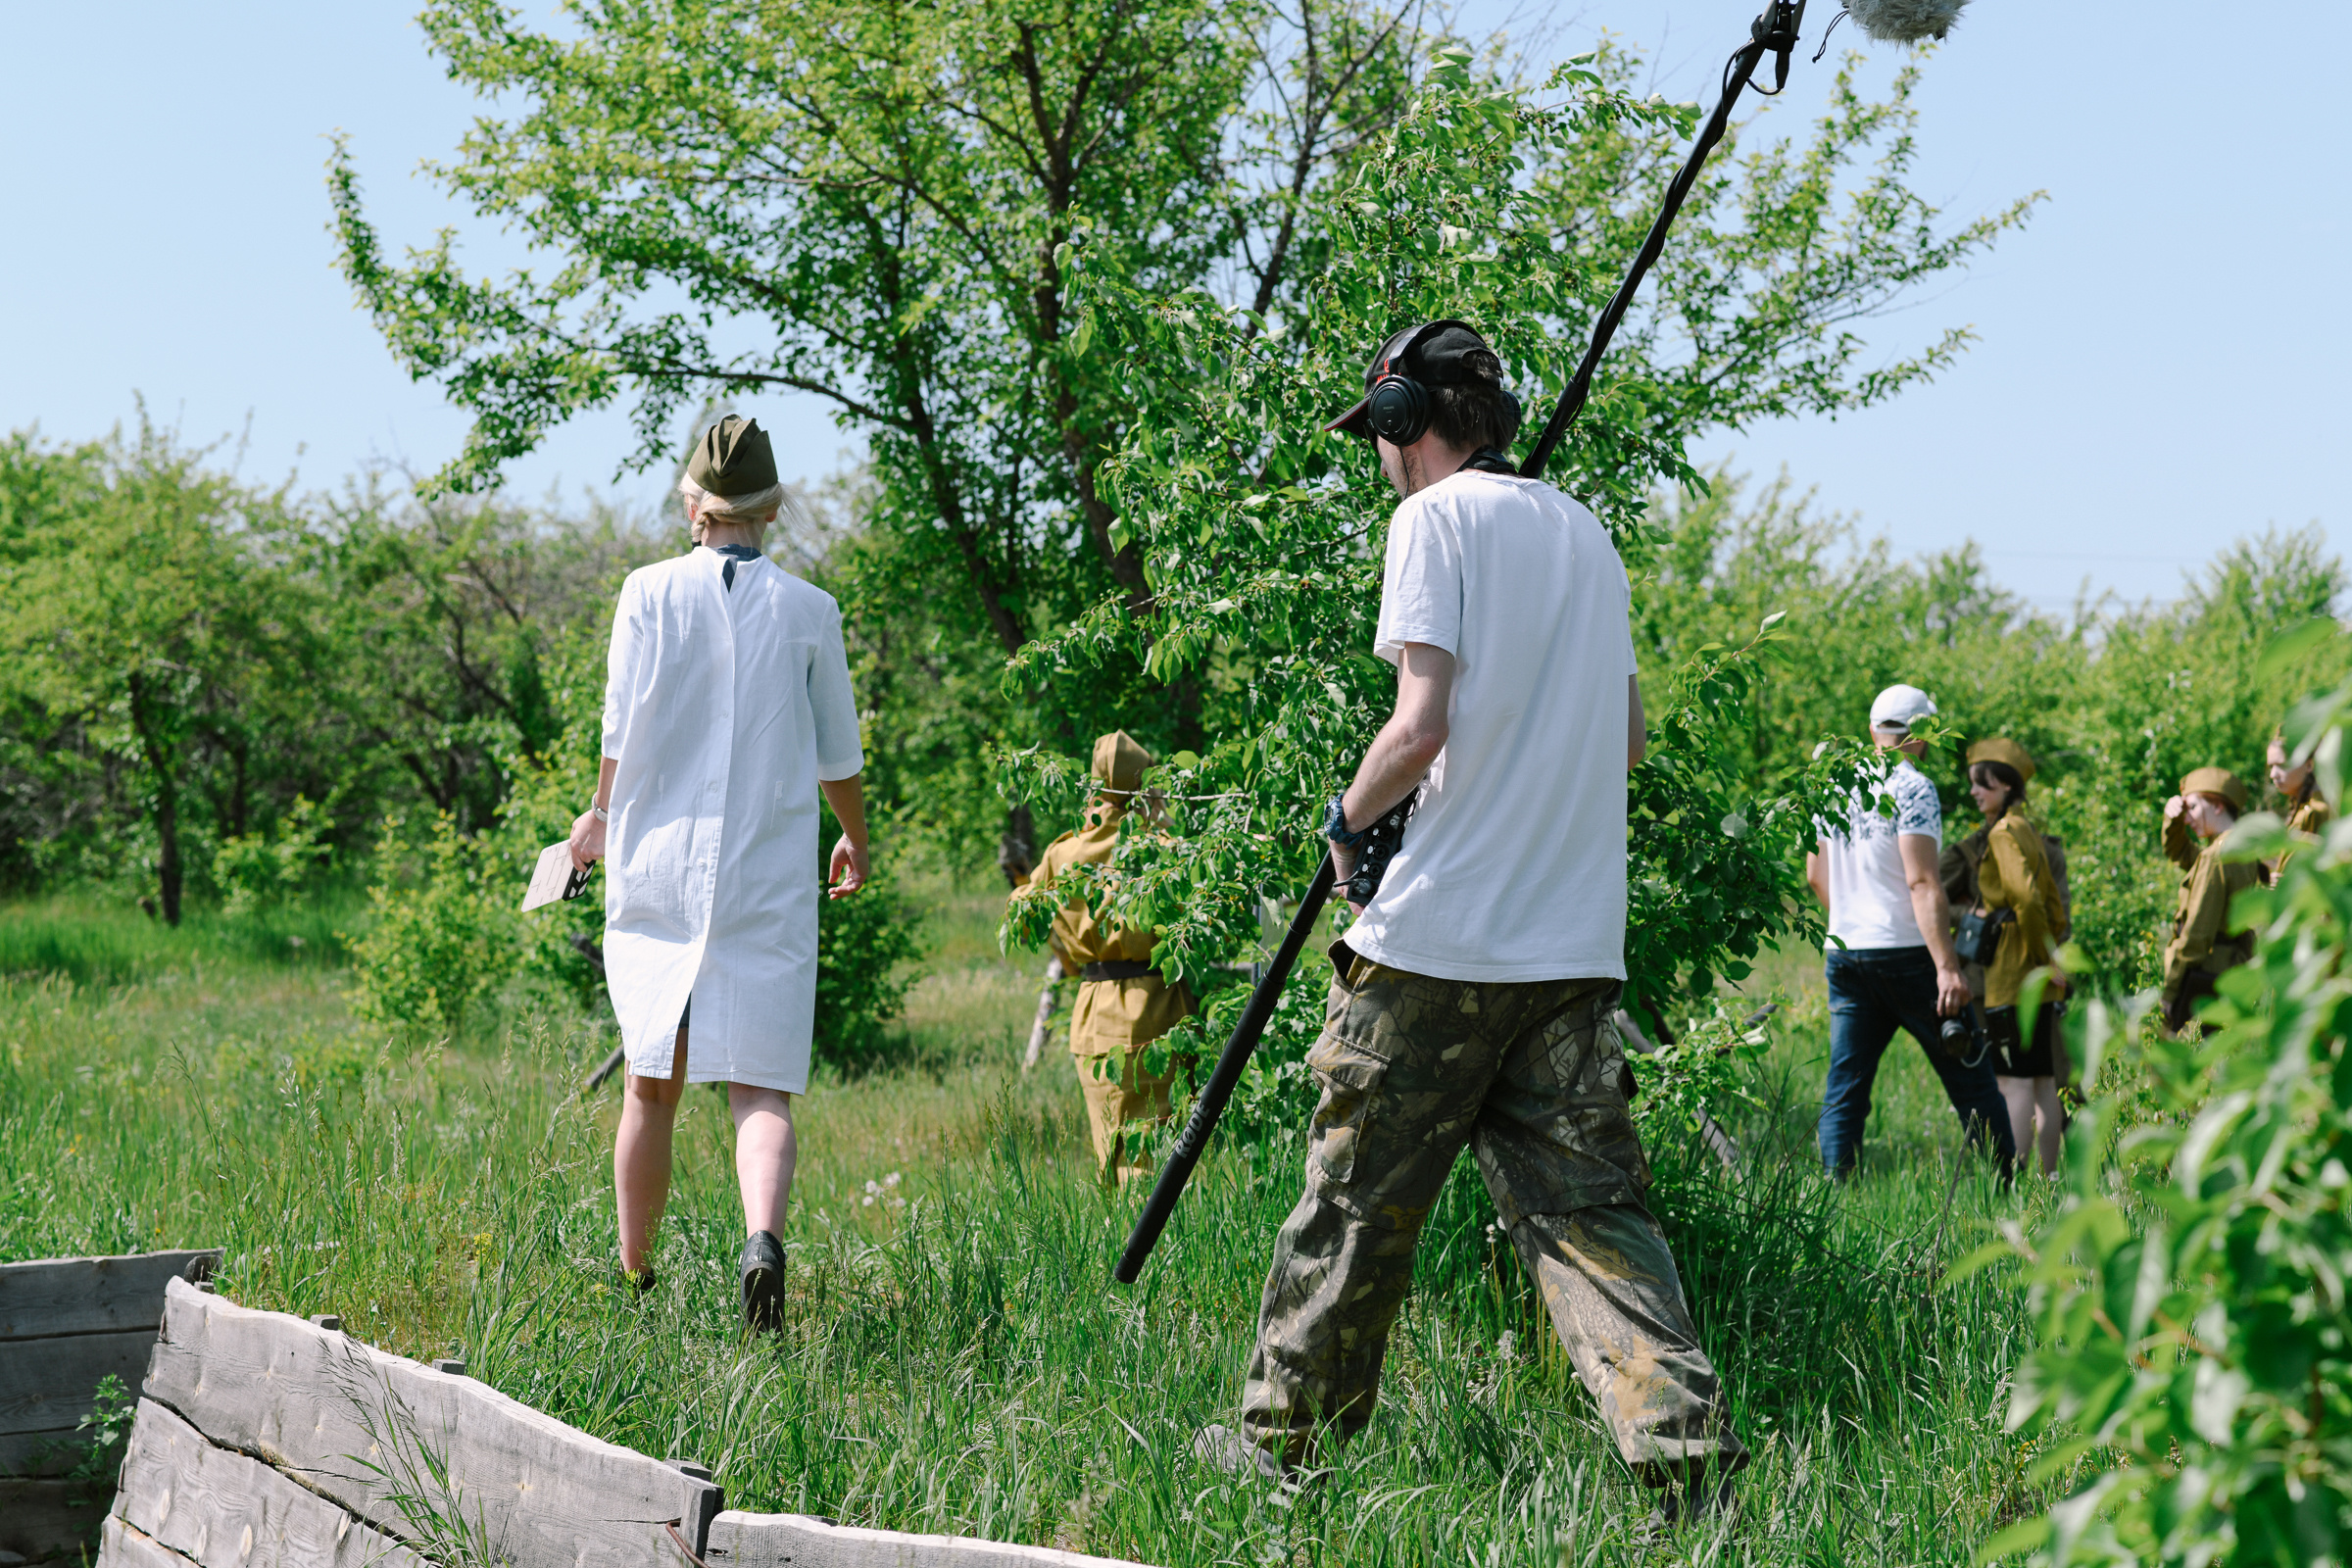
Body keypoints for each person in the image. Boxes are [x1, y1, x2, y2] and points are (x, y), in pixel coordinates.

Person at [1198, 319, 1744, 1523]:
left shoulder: (1429, 522)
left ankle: (1283, 1460)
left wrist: (1347, 822)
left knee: (1354, 1208)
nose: (1378, 460)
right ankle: (1682, 1457)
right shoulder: (1587, 534)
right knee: (1591, 1218)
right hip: (1571, 954)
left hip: (1439, 947)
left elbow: (1419, 726)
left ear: (1406, 423)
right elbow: (1628, 739)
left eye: (1380, 437)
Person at [567, 416, 869, 1330]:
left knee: (649, 1084)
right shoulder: (811, 610)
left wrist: (595, 818)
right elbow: (837, 749)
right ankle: (761, 1244)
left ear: (694, 505)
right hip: (766, 872)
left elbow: (620, 729)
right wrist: (854, 836)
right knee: (761, 1084)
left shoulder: (646, 593)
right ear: (772, 510)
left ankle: (634, 1279)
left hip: (660, 865)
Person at [1807, 686, 2015, 1179]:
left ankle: (1836, 1192)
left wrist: (1857, 922)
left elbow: (1816, 877)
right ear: (1920, 733)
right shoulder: (1912, 787)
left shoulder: (1834, 783)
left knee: (1846, 1086)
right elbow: (1922, 881)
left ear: (1873, 730)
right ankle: (2011, 1187)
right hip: (1908, 955)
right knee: (1970, 1077)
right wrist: (1947, 968)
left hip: (1847, 953)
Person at [1018, 731, 1196, 1184]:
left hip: (1095, 1011)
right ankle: (1162, 1248)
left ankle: (1125, 1247)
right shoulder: (1166, 849)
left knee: (1111, 1148)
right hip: (1161, 1006)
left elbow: (1023, 914)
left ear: (1095, 786)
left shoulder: (1064, 853)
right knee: (1160, 1148)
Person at [1953, 739, 2070, 1176]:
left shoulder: (2002, 833)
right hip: (2036, 966)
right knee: (2042, 1078)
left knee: (2014, 1080)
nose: (1974, 793)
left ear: (2004, 785)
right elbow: (2051, 902)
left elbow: (2026, 897)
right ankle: (2049, 1178)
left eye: (1981, 785)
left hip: (2011, 969)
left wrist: (2045, 959)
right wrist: (2053, 953)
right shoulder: (2025, 827)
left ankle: (2015, 1181)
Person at [2160, 767, 2255, 1036]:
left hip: (2205, 978)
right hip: (2233, 971)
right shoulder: (2244, 848)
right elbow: (2180, 853)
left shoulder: (2215, 857)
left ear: (2217, 806)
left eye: (2191, 807)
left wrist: (2170, 990)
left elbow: (2197, 935)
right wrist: (2173, 821)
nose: (2187, 818)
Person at [2267, 729, 2333, 881]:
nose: (2273, 774)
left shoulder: (2315, 812)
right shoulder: (2303, 809)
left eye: (2282, 765)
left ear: (2309, 765)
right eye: (2271, 766)